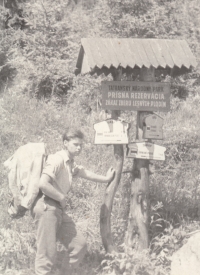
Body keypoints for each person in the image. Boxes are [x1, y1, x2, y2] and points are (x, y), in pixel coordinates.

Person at [32, 128, 115, 275]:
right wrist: (62, 197)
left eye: (81, 145)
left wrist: (106, 179)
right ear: (65, 143)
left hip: (57, 209)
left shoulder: (70, 163)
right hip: (46, 207)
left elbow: (84, 173)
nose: (79, 148)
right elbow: (43, 184)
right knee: (46, 255)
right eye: (76, 144)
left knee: (79, 245)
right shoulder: (57, 159)